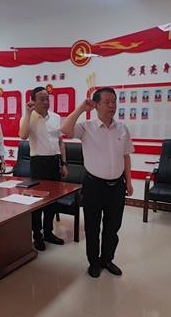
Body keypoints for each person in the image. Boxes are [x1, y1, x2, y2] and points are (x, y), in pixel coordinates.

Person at [61, 88, 134, 278]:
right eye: (107, 102)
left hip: (117, 186)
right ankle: (93, 262)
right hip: (94, 185)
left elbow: (126, 156)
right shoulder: (86, 127)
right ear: (97, 105)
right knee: (93, 227)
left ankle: (107, 259)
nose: (112, 105)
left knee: (112, 227)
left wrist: (129, 182)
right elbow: (65, 130)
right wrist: (80, 108)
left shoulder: (122, 128)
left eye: (114, 101)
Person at [19, 87, 67, 251]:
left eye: (47, 98)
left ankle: (48, 232)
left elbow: (60, 142)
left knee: (52, 201)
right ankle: (37, 235)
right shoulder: (27, 118)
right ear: (33, 100)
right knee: (38, 202)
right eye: (42, 99)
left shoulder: (56, 117)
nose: (46, 102)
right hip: (38, 163)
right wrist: (27, 113)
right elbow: (23, 135)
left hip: (55, 162)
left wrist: (64, 163)